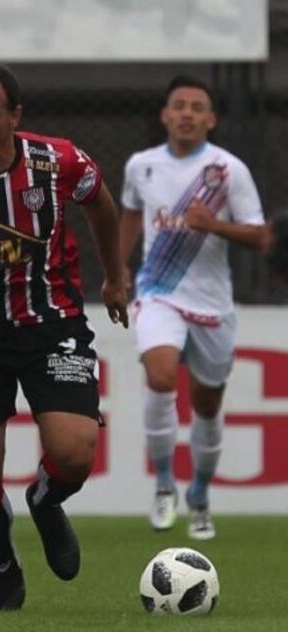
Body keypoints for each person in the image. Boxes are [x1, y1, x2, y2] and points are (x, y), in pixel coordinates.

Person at [0, 65, 129, 611]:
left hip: (50, 322)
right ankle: (5, 573)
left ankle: (45, 499)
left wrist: (115, 276)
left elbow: (102, 202)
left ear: (15, 116)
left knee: (74, 454)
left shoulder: (59, 161)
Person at [119, 75, 268, 540]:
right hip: (157, 291)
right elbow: (131, 213)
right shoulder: (141, 166)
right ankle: (165, 485)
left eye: (196, 107)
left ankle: (200, 495)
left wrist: (214, 226)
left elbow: (260, 236)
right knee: (161, 378)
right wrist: (117, 267)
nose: (187, 113)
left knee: (207, 403)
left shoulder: (229, 170)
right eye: (179, 105)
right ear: (165, 115)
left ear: (211, 119)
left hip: (212, 302)